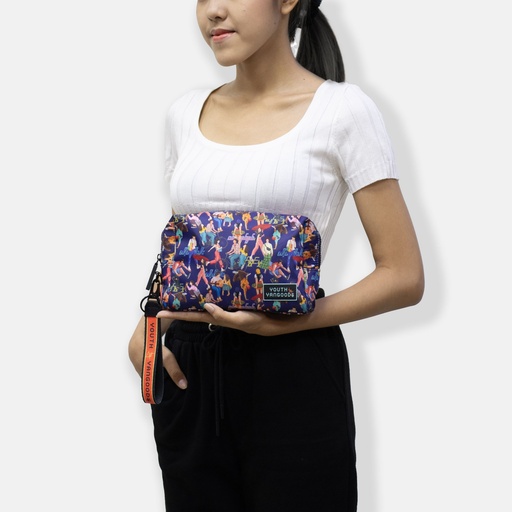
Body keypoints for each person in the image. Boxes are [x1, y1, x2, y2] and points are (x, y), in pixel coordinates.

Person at [128, 1, 424, 511]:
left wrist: (287, 325)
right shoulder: (184, 114)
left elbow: (404, 275)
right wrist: (147, 327)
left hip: (292, 368)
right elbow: (189, 249)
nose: (213, 11)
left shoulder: (344, 111)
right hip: (189, 371)